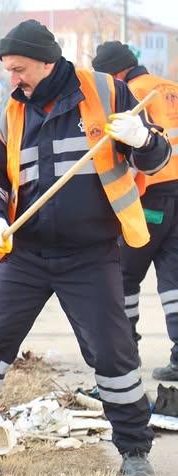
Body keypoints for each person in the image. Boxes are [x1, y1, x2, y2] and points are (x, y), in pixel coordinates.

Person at [0, 20, 172, 476]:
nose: (14, 78)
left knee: (112, 353)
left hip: (90, 254)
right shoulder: (4, 113)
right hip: (24, 254)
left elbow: (157, 159)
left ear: (48, 62)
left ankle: (133, 449)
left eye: (20, 69)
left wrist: (143, 141)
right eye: (8, 69)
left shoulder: (109, 94)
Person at [92, 41, 178, 381]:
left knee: (124, 276)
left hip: (151, 199)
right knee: (174, 281)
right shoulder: (170, 87)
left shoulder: (130, 94)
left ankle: (125, 355)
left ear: (115, 73)